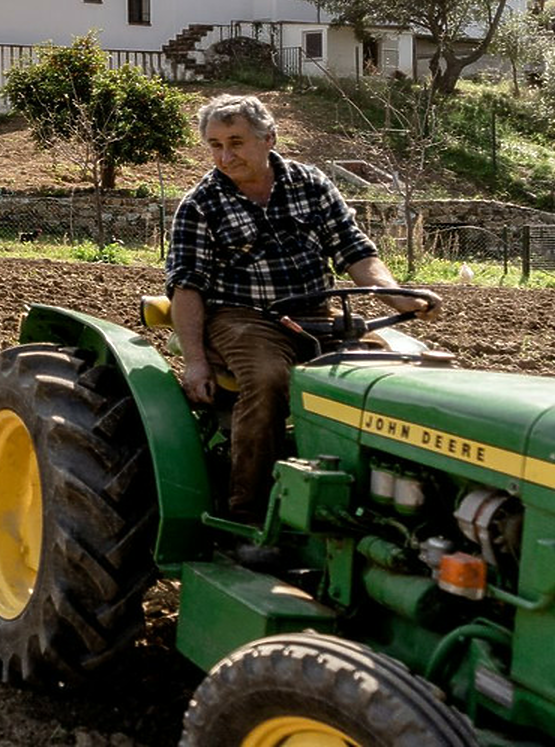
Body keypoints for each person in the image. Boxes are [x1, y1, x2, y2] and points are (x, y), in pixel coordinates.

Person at [164, 94, 439, 521]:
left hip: (319, 309)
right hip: (243, 316)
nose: (225, 155)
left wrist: (401, 297)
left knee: (401, 371)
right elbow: (187, 288)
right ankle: (248, 513)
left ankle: (393, 502)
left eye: (235, 142)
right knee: (269, 378)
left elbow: (355, 253)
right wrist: (195, 362)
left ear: (268, 138)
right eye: (215, 145)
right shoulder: (200, 204)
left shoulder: (311, 185)